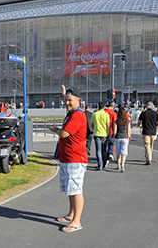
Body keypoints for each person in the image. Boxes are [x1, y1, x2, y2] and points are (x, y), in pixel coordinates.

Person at [49, 87, 87, 233]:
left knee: (76, 190)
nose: (67, 103)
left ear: (78, 100)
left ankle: (76, 221)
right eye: (65, 100)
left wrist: (56, 130)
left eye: (70, 100)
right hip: (68, 158)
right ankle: (71, 214)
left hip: (75, 159)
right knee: (71, 189)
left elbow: (64, 134)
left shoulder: (77, 115)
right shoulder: (71, 114)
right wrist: (64, 94)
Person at [90, 101, 110, 170]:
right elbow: (108, 125)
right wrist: (108, 134)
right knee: (104, 150)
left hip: (97, 134)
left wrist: (95, 129)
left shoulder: (94, 114)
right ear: (104, 107)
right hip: (104, 134)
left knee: (98, 150)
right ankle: (104, 164)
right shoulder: (106, 114)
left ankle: (100, 165)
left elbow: (92, 125)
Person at [114, 106, 131, 172]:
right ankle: (123, 164)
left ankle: (118, 165)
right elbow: (128, 131)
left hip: (118, 137)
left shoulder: (116, 121)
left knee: (118, 152)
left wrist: (114, 136)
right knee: (124, 152)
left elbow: (115, 131)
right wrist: (129, 136)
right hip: (125, 137)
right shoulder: (127, 122)